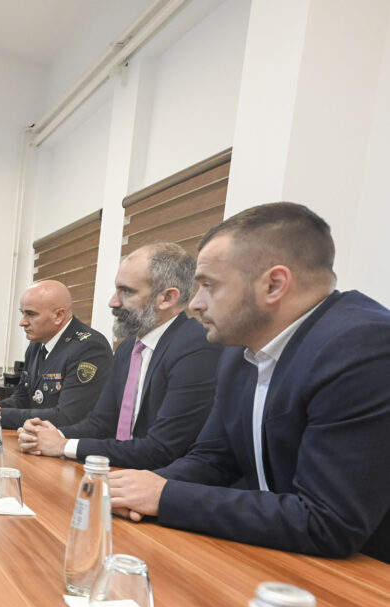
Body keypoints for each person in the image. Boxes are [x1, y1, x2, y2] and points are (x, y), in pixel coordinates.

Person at [110, 203, 390, 561]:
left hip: (362, 575)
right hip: (276, 552)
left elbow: (328, 521)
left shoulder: (363, 348)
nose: (195, 304)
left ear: (274, 285)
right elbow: (213, 459)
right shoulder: (239, 352)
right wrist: (139, 489)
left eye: (208, 285)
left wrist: (165, 497)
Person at [19, 243, 222, 469]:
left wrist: (63, 445)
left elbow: (162, 449)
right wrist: (50, 434)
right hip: (120, 469)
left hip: (160, 479)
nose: (113, 302)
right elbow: (100, 424)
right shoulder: (128, 349)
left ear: (167, 298)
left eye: (127, 291)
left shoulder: (196, 348)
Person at [0, 280, 111, 430]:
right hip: (35, 436)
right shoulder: (36, 344)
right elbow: (23, 398)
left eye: (31, 314)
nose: (22, 322)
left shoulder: (89, 348)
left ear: (58, 315)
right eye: (22, 313)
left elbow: (67, 417)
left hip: (65, 441)